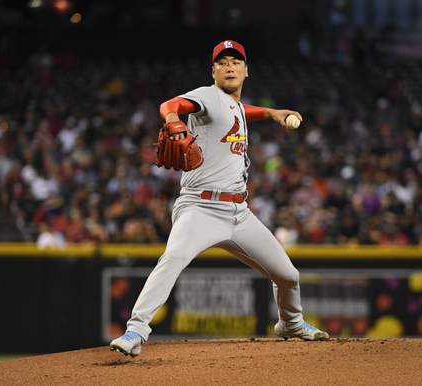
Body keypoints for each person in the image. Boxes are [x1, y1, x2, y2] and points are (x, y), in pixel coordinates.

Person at [110, 40, 329, 357]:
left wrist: (270, 113)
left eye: (236, 62)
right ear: (213, 70)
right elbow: (169, 106)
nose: (230, 66)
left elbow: (240, 111)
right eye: (223, 62)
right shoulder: (207, 95)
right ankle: (135, 331)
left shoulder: (233, 105)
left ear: (246, 70)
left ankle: (291, 324)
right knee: (173, 259)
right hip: (200, 208)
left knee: (288, 276)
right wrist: (172, 121)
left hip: (239, 213)